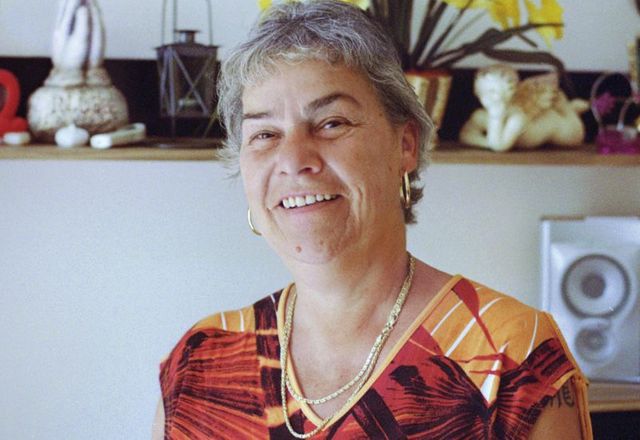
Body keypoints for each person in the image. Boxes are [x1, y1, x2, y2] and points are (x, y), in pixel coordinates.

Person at [153, 1, 593, 438]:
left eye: (331, 123)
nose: (293, 159)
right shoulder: (198, 361)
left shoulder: (513, 358)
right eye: (265, 134)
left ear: (405, 145)